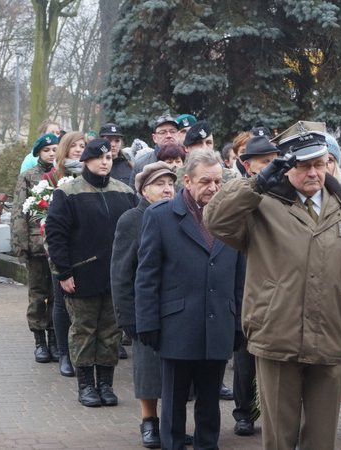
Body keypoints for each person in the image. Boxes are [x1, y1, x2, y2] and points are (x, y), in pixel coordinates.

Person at [204, 123, 341, 450]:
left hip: (331, 335)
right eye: (304, 165)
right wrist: (256, 183)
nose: (314, 172)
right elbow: (215, 220)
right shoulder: (262, 203)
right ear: (288, 167)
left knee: (321, 436)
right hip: (277, 334)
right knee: (279, 437)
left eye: (321, 163)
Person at [135, 151, 245, 450]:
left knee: (210, 401)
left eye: (218, 181)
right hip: (177, 325)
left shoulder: (231, 218)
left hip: (219, 322)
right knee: (174, 400)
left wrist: (238, 322)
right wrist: (147, 322)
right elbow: (147, 275)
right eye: (206, 181)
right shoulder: (160, 216)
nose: (213, 187)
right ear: (187, 181)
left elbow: (239, 276)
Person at [45, 138, 137, 408]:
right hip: (82, 275)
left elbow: (133, 233)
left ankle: (105, 384)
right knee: (84, 331)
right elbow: (56, 234)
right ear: (86, 160)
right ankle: (86, 385)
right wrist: (63, 272)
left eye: (108, 158)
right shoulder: (68, 192)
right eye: (99, 158)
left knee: (110, 332)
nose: (105, 162)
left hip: (115, 277)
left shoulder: (124, 192)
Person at [111, 162, 188, 448]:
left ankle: (172, 424)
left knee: (177, 371)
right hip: (146, 308)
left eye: (171, 183)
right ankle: (149, 422)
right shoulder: (133, 219)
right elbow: (120, 271)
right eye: (159, 184)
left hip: (179, 307)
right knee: (148, 369)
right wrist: (127, 316)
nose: (167, 189)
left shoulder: (183, 215)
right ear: (143, 190)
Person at [225, 135, 280, 437]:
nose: (273, 167)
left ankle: (275, 413)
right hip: (246, 283)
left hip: (280, 285)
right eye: (266, 162)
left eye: (276, 160)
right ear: (247, 166)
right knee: (245, 356)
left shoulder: (286, 192)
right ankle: (244, 412)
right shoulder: (239, 191)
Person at [12, 133, 60, 364]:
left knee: (56, 295)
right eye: (47, 150)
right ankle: (40, 341)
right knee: (38, 295)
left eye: (55, 149)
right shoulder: (29, 177)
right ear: (39, 153)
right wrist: (21, 244)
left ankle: (54, 339)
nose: (51, 154)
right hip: (37, 245)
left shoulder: (64, 175)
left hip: (58, 246)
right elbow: (20, 211)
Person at [43, 131, 87, 377]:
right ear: (65, 148)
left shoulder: (93, 175)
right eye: (75, 146)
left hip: (85, 249)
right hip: (60, 248)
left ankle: (82, 351)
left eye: (83, 146)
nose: (79, 150)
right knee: (60, 301)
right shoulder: (52, 177)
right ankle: (64, 354)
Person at [129, 114, 180, 188]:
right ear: (154, 138)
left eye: (172, 131)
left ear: (178, 135)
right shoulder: (141, 164)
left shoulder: (190, 161)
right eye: (163, 132)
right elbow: (133, 196)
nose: (169, 135)